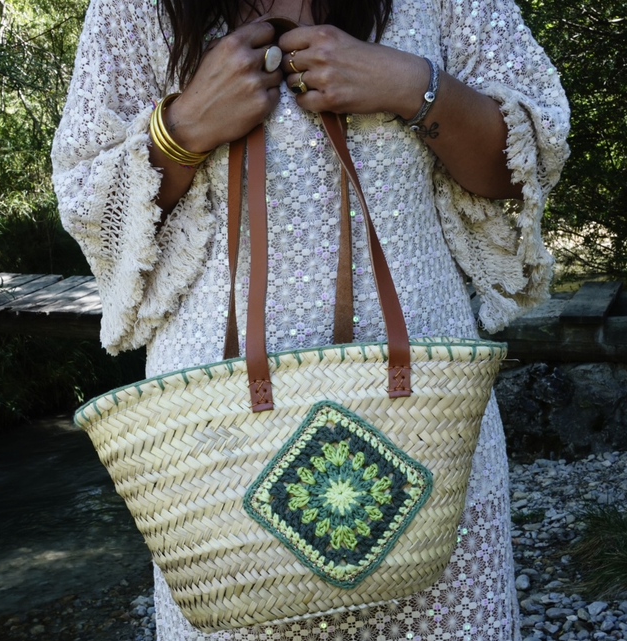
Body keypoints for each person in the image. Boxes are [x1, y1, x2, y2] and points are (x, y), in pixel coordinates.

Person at [51, 0, 569, 638]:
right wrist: (181, 130)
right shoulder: (134, 10)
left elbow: (524, 165)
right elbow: (89, 204)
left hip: (428, 431)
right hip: (220, 452)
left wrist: (413, 86)